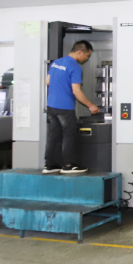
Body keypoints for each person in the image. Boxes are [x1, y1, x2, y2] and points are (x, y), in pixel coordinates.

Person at [45, 40, 99, 174]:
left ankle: (49, 165)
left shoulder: (56, 62)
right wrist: (91, 105)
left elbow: (47, 81)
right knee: (68, 135)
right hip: (65, 107)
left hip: (51, 105)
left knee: (53, 135)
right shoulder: (75, 67)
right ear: (79, 52)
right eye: (86, 55)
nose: (86, 58)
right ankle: (68, 166)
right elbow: (76, 91)